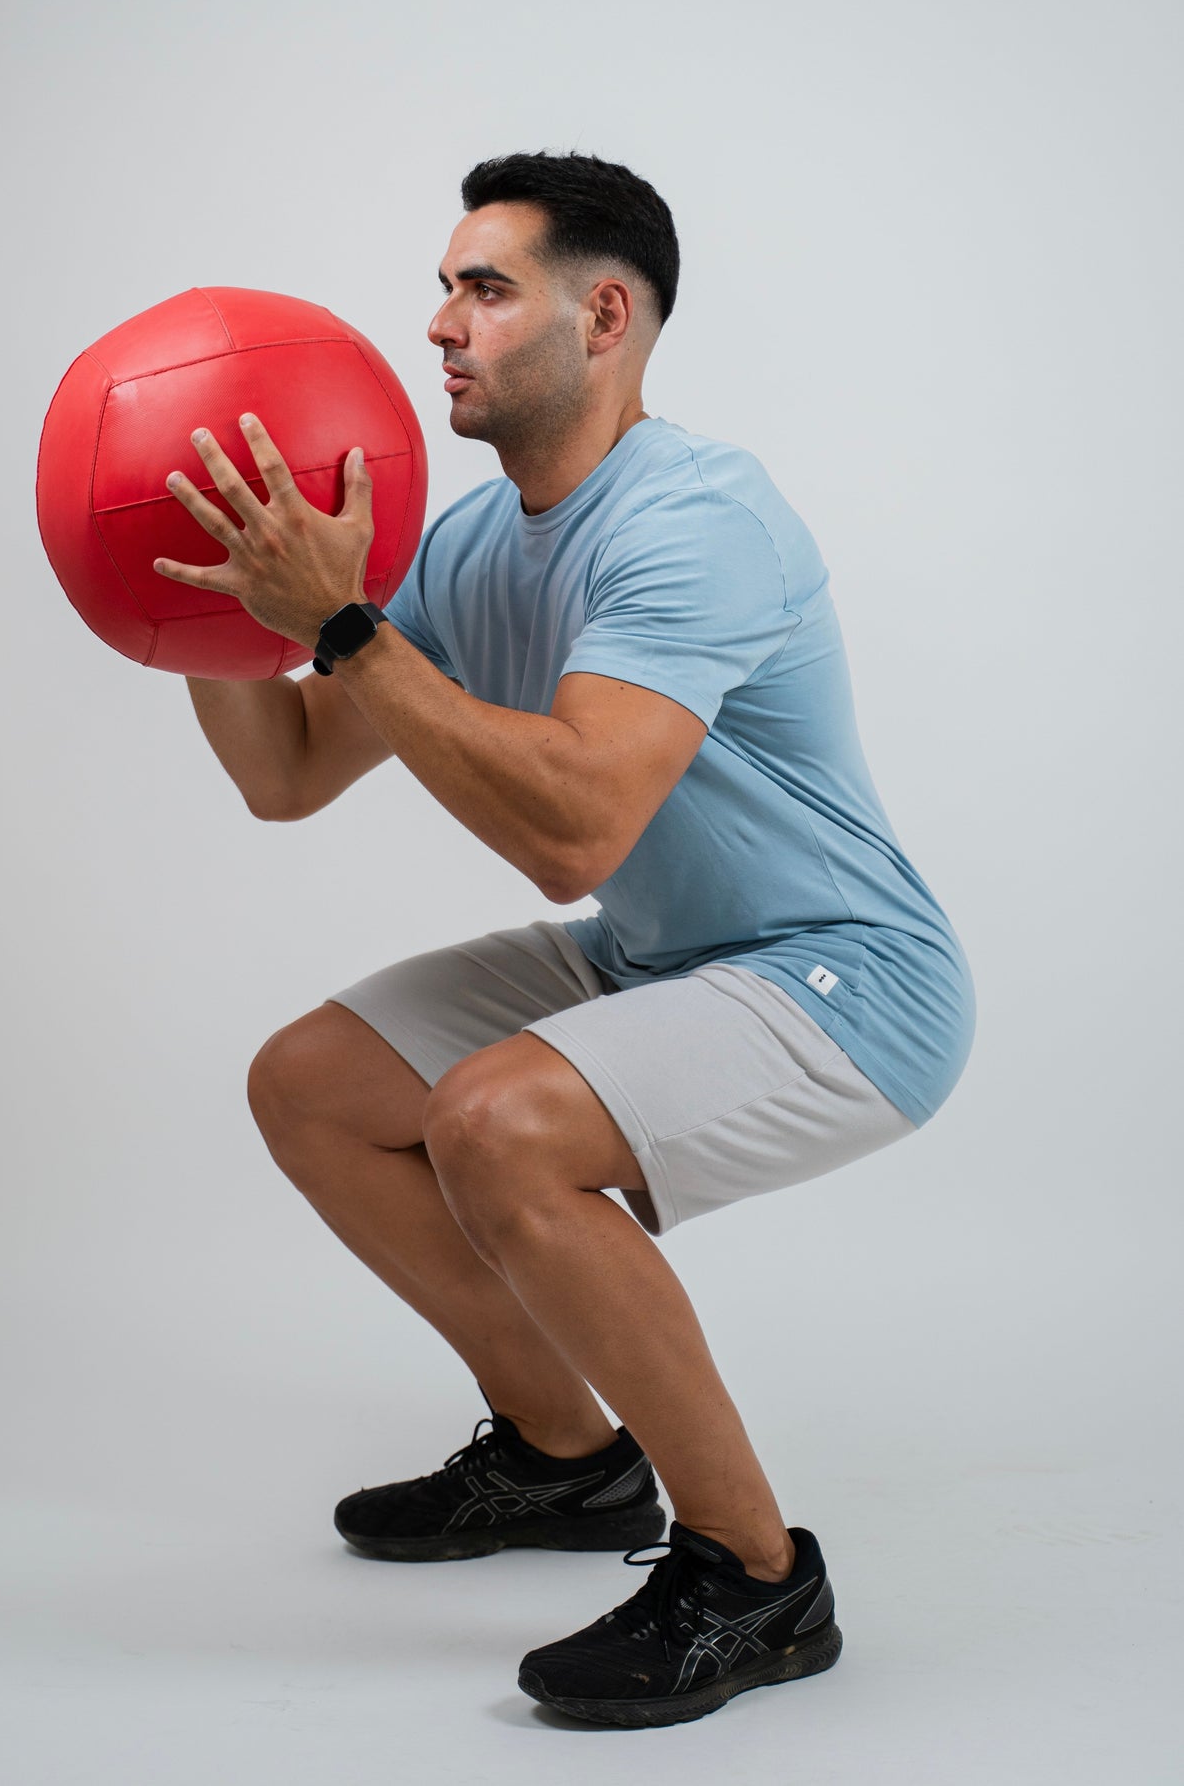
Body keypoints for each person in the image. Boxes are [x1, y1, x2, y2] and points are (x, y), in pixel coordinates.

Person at [171, 150, 976, 1730]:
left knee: (498, 1122)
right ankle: (561, 1457)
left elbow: (571, 830)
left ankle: (753, 1577)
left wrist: (339, 624)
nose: (437, 326)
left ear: (602, 314)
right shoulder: (475, 548)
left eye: (482, 288)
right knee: (313, 1084)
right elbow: (284, 773)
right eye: (442, 287)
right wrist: (196, 598)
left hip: (844, 974)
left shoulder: (699, 516)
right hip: (658, 952)